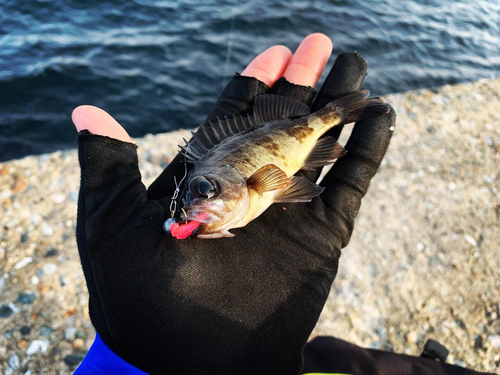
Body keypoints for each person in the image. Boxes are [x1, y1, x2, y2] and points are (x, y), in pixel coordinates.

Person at [71, 34, 491, 375]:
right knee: (331, 355)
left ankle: (336, 113)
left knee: (328, 354)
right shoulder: (194, 215)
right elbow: (281, 185)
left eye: (204, 191)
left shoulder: (246, 182)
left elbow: (272, 180)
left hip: (284, 141)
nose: (194, 210)